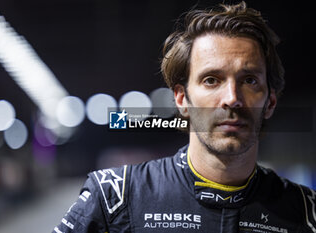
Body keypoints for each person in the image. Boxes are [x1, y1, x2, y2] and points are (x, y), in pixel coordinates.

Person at [53, 2, 316, 233]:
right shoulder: (113, 198)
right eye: (211, 80)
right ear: (182, 100)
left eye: (249, 80)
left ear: (269, 102)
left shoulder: (306, 211)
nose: (232, 98)